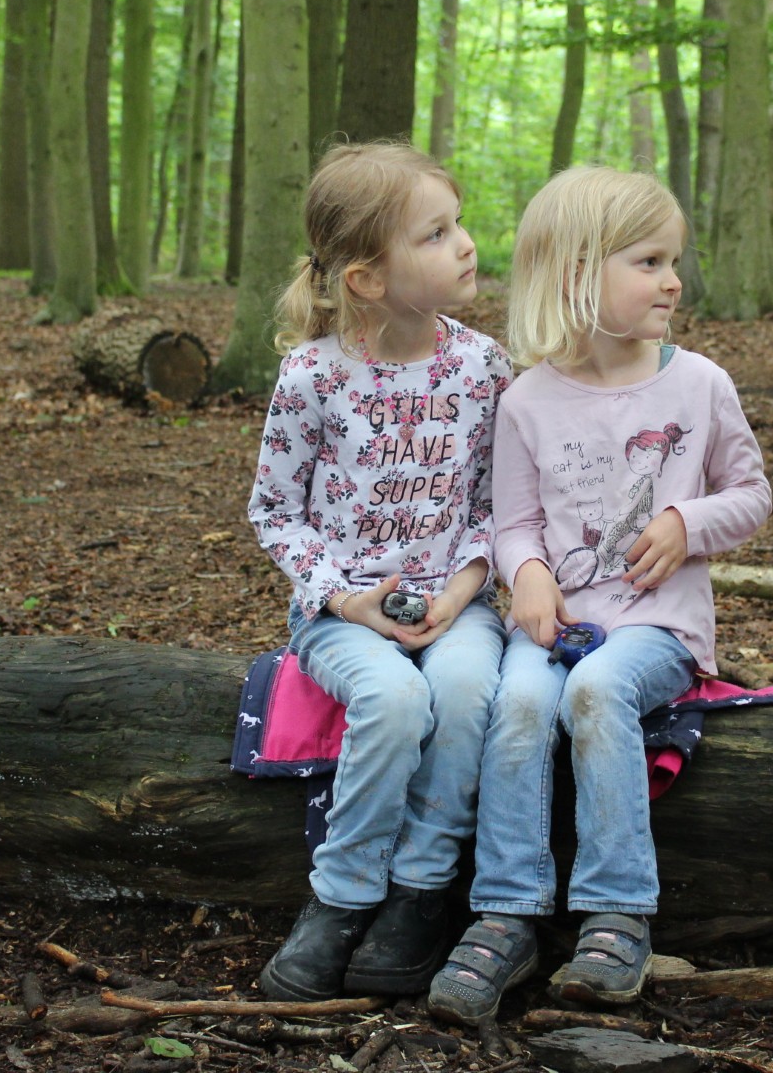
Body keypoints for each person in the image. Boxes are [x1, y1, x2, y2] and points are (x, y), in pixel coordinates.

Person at [425, 166, 772, 1025]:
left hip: (658, 628)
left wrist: (690, 521)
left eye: (673, 261)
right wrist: (531, 575)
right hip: (559, 625)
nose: (672, 280)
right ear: (579, 271)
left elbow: (752, 495)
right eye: (648, 262)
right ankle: (506, 914)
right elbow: (513, 526)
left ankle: (618, 911)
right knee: (516, 706)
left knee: (596, 690)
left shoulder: (700, 386)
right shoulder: (528, 401)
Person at [247, 142, 512, 1002]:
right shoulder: (313, 376)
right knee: (396, 701)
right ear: (366, 278)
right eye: (435, 234)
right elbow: (274, 512)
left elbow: (495, 503)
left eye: (457, 223)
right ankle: (341, 896)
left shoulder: (481, 366)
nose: (465, 243)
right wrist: (346, 599)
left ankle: (419, 893)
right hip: (343, 611)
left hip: (460, 601)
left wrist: (465, 589)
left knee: (470, 694)